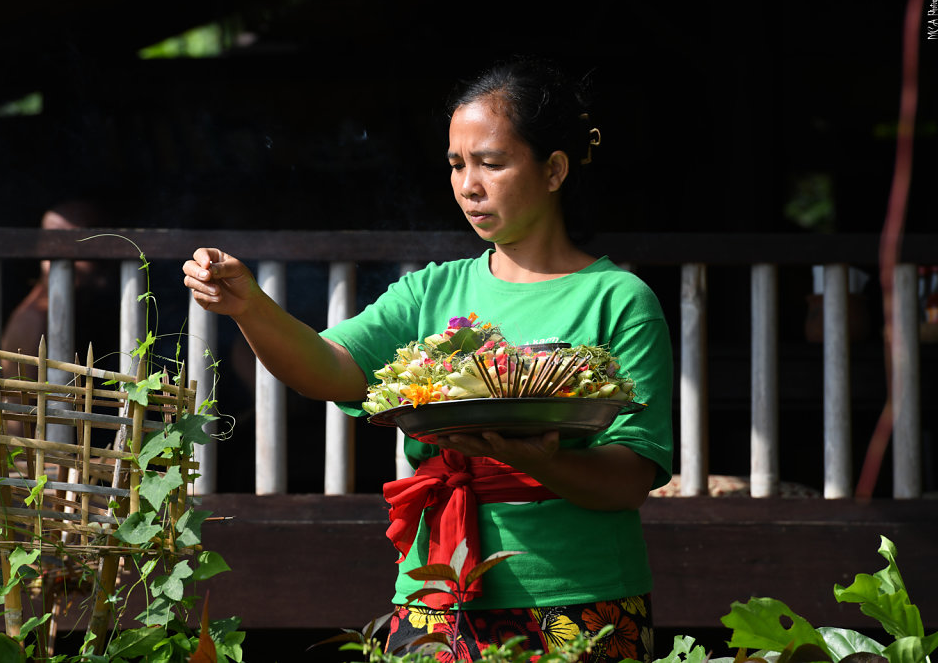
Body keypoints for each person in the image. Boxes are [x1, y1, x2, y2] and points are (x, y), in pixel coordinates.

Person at [182, 56, 673, 662]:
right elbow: (327, 368)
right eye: (456, 164)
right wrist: (249, 306)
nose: (469, 184)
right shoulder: (430, 291)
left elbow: (628, 479)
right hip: (436, 592)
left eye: (492, 163)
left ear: (554, 170)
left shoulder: (618, 299)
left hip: (581, 592)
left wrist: (531, 459)